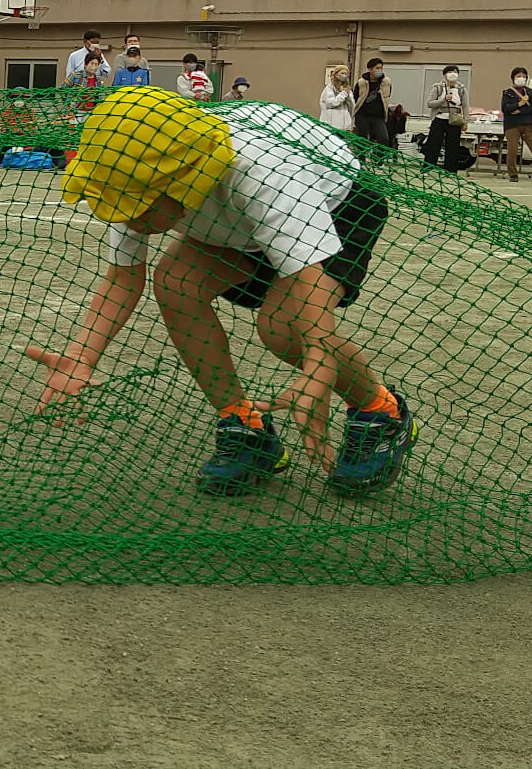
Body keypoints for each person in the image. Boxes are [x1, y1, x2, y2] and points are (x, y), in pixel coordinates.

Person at [27, 87, 413, 496]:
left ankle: (380, 412)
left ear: (181, 183)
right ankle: (243, 424)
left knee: (283, 328)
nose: (125, 217)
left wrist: (317, 373)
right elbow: (124, 278)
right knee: (176, 282)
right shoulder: (130, 170)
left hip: (338, 203)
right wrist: (82, 358)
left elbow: (312, 308)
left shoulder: (265, 171)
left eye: (137, 206)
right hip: (235, 222)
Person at [501, 66, 532, 183]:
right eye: (519, 76)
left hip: (528, 124)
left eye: (524, 76)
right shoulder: (507, 93)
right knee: (512, 151)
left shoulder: (530, 92)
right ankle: (513, 174)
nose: (521, 78)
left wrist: (518, 110)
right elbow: (505, 108)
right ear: (513, 78)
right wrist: (520, 103)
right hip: (512, 126)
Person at [423, 66, 470, 170]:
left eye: (455, 72)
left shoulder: (462, 88)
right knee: (433, 144)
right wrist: (443, 100)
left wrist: (465, 121)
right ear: (444, 75)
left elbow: (465, 105)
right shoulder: (438, 87)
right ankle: (427, 168)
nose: (453, 74)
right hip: (439, 118)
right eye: (450, 72)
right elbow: (430, 103)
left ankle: (451, 170)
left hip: (454, 120)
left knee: (453, 146)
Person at [351, 58, 391, 145]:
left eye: (381, 68)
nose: (379, 70)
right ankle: (360, 158)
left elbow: (387, 96)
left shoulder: (386, 82)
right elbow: (356, 97)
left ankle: (378, 158)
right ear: (370, 69)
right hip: (363, 115)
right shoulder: (361, 82)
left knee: (383, 139)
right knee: (362, 140)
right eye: (377, 68)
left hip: (378, 116)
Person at [318, 66, 355, 132]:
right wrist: (343, 94)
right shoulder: (329, 88)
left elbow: (351, 106)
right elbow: (332, 103)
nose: (344, 76)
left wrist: (348, 96)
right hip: (331, 125)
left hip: (345, 126)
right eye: (342, 73)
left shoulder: (347, 89)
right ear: (336, 74)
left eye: (346, 74)